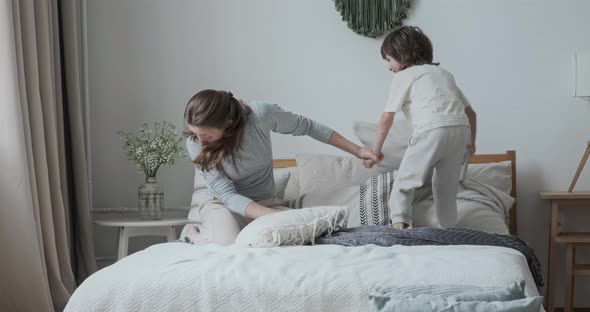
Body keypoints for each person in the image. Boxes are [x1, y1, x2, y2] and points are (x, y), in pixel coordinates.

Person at [184, 89, 379, 245]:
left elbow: (308, 127)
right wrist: (272, 216)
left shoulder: (261, 115)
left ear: (227, 122)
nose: (200, 142)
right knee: (226, 245)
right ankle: (194, 235)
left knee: (311, 236)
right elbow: (227, 195)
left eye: (207, 135)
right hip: (222, 205)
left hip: (266, 202)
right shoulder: (195, 143)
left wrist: (358, 151)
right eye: (196, 134)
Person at [365, 26, 477, 230]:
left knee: (405, 182)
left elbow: (386, 118)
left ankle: (400, 228)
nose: (389, 67)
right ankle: (449, 230)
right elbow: (471, 113)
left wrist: (375, 151)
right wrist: (471, 143)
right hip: (460, 131)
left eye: (389, 60)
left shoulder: (404, 76)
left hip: (431, 130)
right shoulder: (444, 74)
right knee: (445, 187)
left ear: (403, 55)